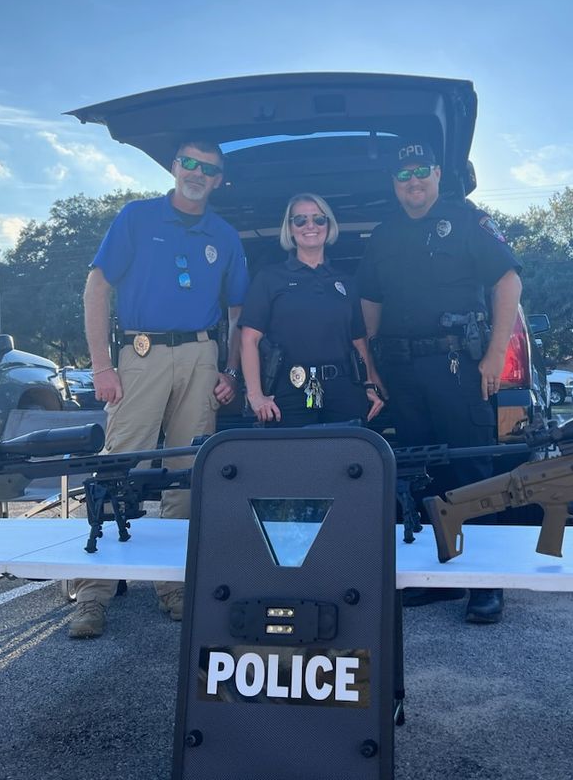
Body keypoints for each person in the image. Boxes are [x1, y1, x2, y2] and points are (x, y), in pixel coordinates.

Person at [69, 138, 249, 639]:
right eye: (188, 163)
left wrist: (229, 372)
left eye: (207, 168)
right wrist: (102, 367)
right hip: (140, 354)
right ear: (175, 168)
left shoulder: (225, 235)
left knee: (188, 473)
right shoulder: (136, 217)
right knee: (117, 464)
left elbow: (236, 314)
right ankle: (92, 595)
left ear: (218, 180)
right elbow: (98, 288)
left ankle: (175, 587)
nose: (196, 173)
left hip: (200, 355)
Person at [357, 140, 522, 625]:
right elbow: (370, 300)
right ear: (394, 182)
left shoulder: (468, 220)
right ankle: (444, 576)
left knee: (471, 473)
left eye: (421, 172)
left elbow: (508, 281)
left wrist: (494, 355)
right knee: (421, 473)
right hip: (403, 372)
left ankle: (485, 583)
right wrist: (370, 366)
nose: (413, 181)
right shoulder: (383, 235)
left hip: (458, 368)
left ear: (436, 175)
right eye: (403, 174)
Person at [240, 193, 385, 426]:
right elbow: (249, 340)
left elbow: (359, 342)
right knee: (295, 460)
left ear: (328, 226)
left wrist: (368, 384)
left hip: (344, 389)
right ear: (290, 228)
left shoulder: (345, 282)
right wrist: (255, 395)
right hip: (289, 391)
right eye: (300, 220)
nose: (311, 226)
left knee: (346, 458)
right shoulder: (269, 278)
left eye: (319, 219)